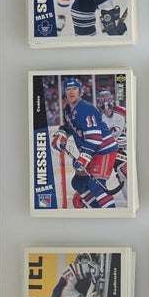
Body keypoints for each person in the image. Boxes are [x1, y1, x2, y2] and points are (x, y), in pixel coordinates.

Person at [51, 77, 119, 209]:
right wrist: (62, 134)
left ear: (80, 92)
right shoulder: (67, 109)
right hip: (92, 151)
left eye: (74, 89)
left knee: (96, 185)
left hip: (103, 149)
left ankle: (111, 213)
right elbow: (70, 126)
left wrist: (83, 157)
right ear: (64, 92)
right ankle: (96, 209)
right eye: (68, 89)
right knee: (79, 183)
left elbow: (95, 138)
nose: (71, 92)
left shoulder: (85, 108)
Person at [97, 89, 128, 198]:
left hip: (122, 149)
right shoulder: (96, 116)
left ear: (111, 98)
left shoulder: (122, 111)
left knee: (124, 171)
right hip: (106, 151)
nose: (105, 99)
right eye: (102, 97)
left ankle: (130, 198)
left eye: (107, 96)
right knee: (98, 177)